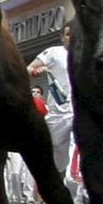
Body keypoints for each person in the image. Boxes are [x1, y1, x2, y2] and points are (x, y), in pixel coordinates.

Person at [27, 25, 74, 177]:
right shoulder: (54, 52)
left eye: (74, 34)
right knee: (57, 156)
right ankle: (56, 185)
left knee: (80, 148)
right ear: (62, 37)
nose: (70, 37)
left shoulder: (84, 54)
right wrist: (36, 71)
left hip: (78, 112)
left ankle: (79, 191)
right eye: (67, 34)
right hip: (57, 113)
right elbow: (28, 69)